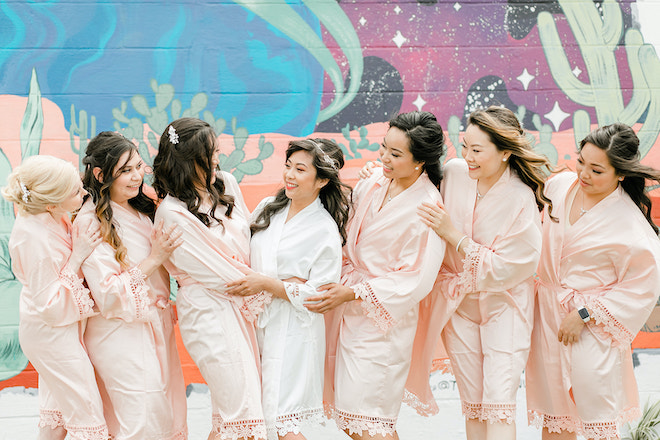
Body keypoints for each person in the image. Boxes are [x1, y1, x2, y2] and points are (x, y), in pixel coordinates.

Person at [305, 111, 447, 440]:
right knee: (359, 420)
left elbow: (416, 279)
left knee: (369, 420)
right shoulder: (375, 182)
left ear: (420, 161)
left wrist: (354, 293)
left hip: (382, 324)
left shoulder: (427, 205)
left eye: (395, 154)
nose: (383, 157)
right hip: (348, 311)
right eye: (384, 148)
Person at [413, 106, 552, 440]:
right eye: (464, 147)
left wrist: (456, 238)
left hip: (505, 306)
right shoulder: (455, 173)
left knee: (498, 403)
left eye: (477, 150)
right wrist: (375, 174)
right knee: (473, 404)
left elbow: (513, 267)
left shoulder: (520, 197)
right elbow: (412, 186)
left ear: (505, 152)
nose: (467, 157)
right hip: (459, 306)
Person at [525, 123, 660, 440]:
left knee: (596, 415)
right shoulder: (559, 186)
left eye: (596, 169)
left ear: (621, 174)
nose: (583, 173)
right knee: (555, 416)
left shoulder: (630, 224)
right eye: (581, 161)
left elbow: (641, 287)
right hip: (547, 316)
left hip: (592, 326)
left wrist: (585, 314)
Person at [152, 117, 270, 440]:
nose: (219, 156)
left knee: (235, 413)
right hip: (208, 314)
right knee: (242, 413)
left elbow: (250, 238)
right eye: (212, 151)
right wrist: (272, 287)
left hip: (242, 307)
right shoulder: (171, 213)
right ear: (192, 159)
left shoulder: (226, 184)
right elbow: (218, 273)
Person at [225, 138, 350, 439]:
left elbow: (320, 295)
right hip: (259, 322)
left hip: (295, 332)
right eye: (288, 166)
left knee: (281, 422)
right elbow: (244, 250)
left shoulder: (324, 229)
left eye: (300, 169)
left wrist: (269, 283)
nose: (289, 175)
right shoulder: (270, 207)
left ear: (321, 180)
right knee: (261, 418)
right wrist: (283, 284)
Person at [73, 131, 187, 440]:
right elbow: (108, 294)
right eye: (125, 170)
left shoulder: (142, 207)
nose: (136, 176)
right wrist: (156, 257)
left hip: (155, 326)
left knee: (164, 413)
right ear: (100, 175)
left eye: (138, 166)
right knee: (139, 420)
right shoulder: (90, 221)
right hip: (119, 332)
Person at [2, 155, 108, 440]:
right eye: (75, 191)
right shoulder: (32, 238)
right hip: (50, 332)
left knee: (59, 408)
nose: (84, 193)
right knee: (86, 411)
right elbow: (49, 305)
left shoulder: (49, 216)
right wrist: (79, 254)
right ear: (51, 203)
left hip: (58, 330)